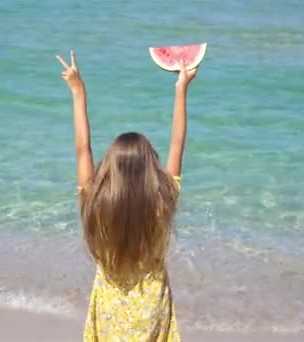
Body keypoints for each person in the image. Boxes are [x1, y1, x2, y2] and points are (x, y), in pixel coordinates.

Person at [56, 51, 198, 341]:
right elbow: (177, 144)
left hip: (110, 312)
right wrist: (181, 89)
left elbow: (82, 149)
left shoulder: (94, 202)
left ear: (109, 169)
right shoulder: (163, 203)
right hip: (152, 309)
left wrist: (77, 90)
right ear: (150, 168)